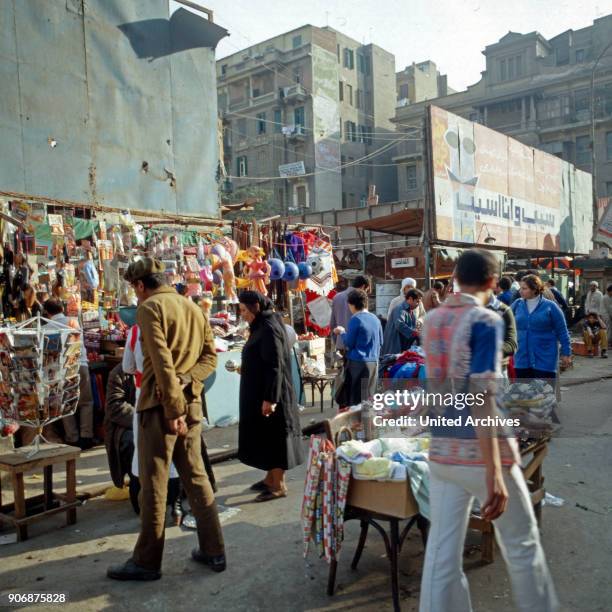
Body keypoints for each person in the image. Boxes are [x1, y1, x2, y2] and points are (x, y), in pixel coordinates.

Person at [420, 248, 558, 612]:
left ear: (455, 277)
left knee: (440, 556)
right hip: (480, 454)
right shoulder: (485, 320)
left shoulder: (432, 320)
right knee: (522, 545)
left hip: (441, 452)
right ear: (493, 282)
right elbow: (482, 398)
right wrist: (494, 472)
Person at [107, 258, 224, 581]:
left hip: (161, 410)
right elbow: (209, 358)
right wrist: (188, 383)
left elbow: (160, 364)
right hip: (191, 405)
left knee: (153, 486)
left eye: (135, 288)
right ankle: (214, 550)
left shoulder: (149, 309)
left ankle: (147, 562)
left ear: (141, 285)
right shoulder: (193, 308)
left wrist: (173, 411)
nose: (136, 295)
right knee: (197, 478)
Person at [236, 291, 304, 502]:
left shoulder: (269, 328)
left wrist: (271, 399)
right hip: (262, 392)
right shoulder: (262, 325)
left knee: (275, 438)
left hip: (273, 395)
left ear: (256, 306)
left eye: (244, 310)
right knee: (266, 437)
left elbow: (275, 366)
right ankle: (270, 478)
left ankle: (278, 485)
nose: (242, 314)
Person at [122, 324, 182, 522]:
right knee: (172, 450)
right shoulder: (175, 325)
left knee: (143, 449)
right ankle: (175, 503)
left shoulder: (137, 330)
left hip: (145, 396)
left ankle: (142, 503)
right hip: (173, 395)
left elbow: (127, 367)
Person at [43, 299, 95, 450]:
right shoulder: (73, 321)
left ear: (47, 312)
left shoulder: (46, 327)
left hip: (61, 370)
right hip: (80, 365)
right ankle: (87, 436)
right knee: (86, 402)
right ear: (62, 308)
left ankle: (72, 438)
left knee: (65, 403)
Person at [511, 274, 571, 379]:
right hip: (521, 358)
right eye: (520, 288)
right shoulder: (517, 304)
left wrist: (566, 353)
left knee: (543, 393)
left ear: (534, 289)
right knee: (522, 393)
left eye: (524, 288)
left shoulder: (550, 307)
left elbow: (562, 331)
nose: (520, 291)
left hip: (545, 358)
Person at [333, 289, 383, 406]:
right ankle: (368, 423)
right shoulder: (375, 319)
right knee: (369, 398)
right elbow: (381, 341)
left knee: (356, 401)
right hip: (374, 363)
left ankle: (358, 423)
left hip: (358, 364)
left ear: (351, 304)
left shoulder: (356, 319)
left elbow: (349, 343)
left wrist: (342, 331)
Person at [329, 275, 370, 351]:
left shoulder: (337, 297)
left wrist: (337, 341)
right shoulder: (361, 299)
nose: (365, 293)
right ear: (363, 287)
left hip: (340, 344)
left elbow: (332, 324)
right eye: (366, 290)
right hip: (356, 347)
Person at [382, 288, 423, 355]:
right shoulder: (399, 309)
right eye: (417, 301)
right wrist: (414, 333)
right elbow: (399, 324)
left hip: (404, 346)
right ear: (410, 299)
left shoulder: (411, 312)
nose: (418, 304)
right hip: (394, 346)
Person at [486, 291, 517, 375]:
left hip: (497, 371)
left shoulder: (503, 310)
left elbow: (512, 344)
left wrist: (487, 351)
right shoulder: (464, 309)